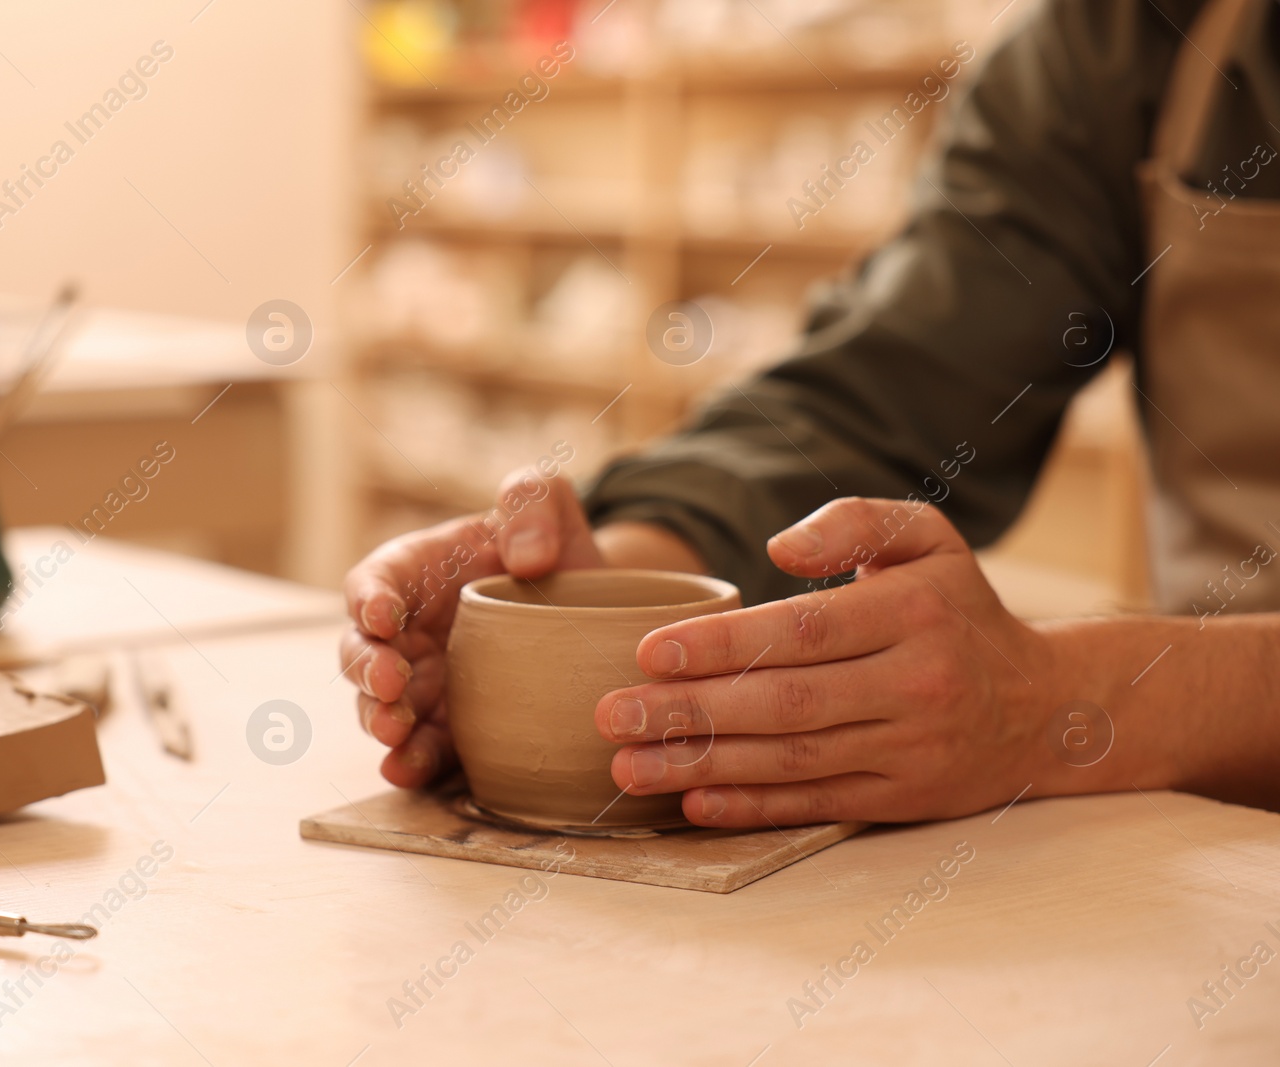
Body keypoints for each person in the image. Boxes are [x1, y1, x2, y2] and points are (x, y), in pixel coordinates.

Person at [340, 0, 1280, 828]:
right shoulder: (1126, 34)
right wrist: (615, 582)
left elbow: (1068, 704)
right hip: (1217, 838)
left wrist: (1065, 699)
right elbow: (887, 393)